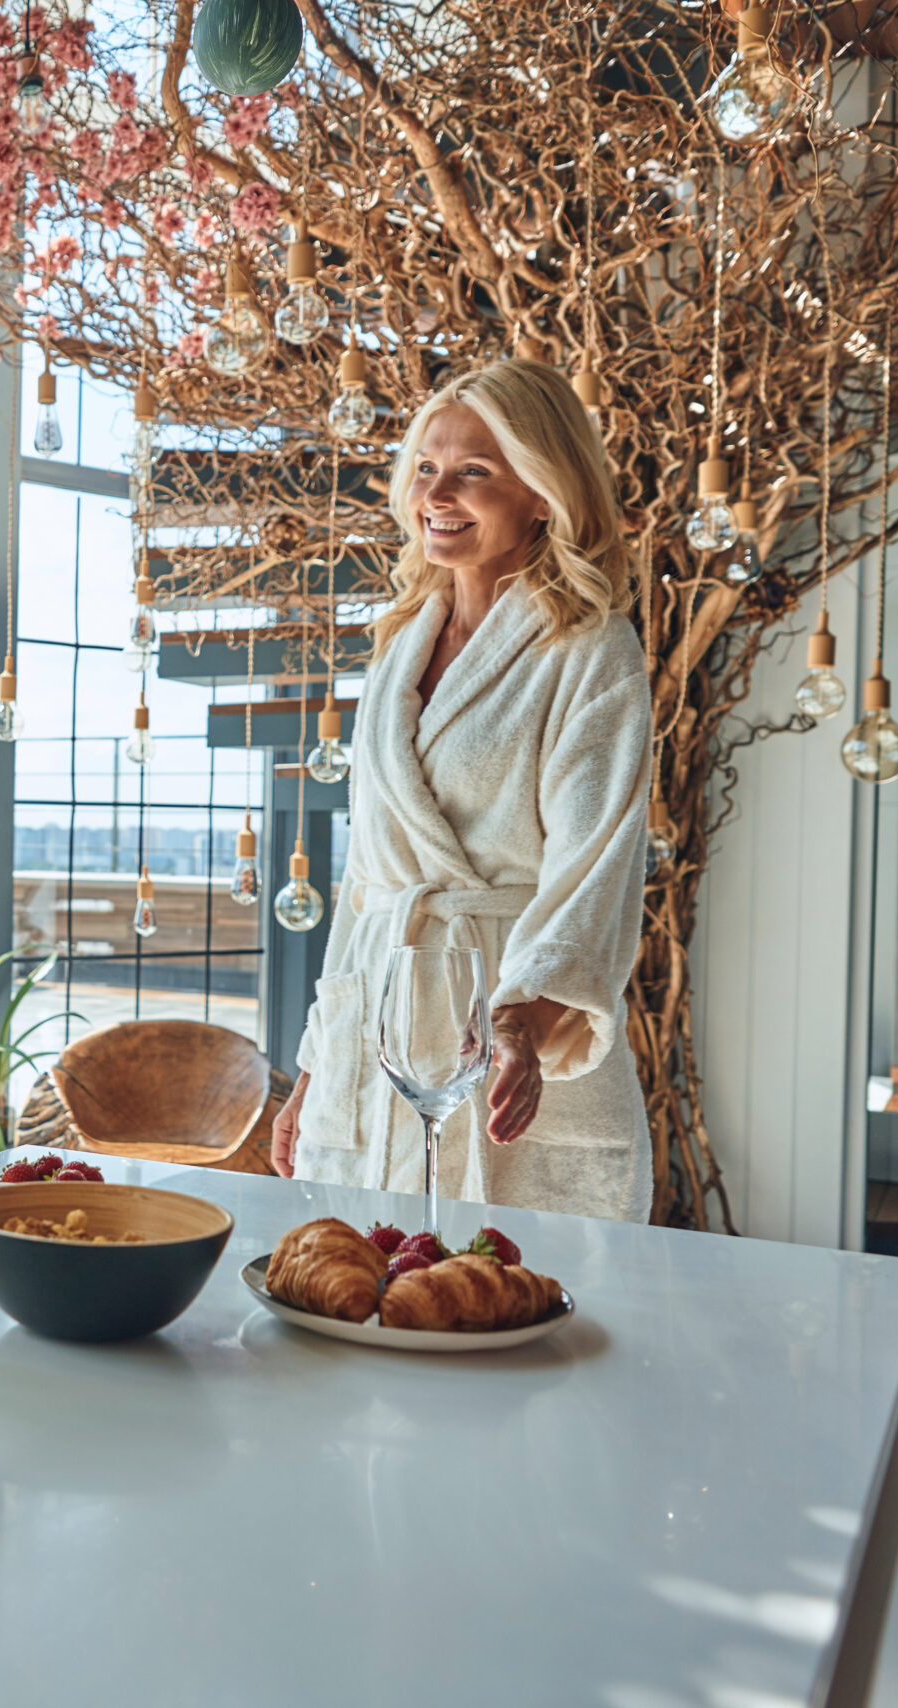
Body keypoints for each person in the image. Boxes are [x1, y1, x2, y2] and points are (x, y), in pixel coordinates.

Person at [271, 358, 654, 1221]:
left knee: (516, 1302)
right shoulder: (401, 642)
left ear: (543, 493)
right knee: (363, 1288)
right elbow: (368, 882)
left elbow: (597, 857)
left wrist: (522, 1018)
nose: (437, 492)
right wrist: (313, 1069)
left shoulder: (590, 649)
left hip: (514, 1023)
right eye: (426, 468)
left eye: (475, 472)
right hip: (382, 1025)